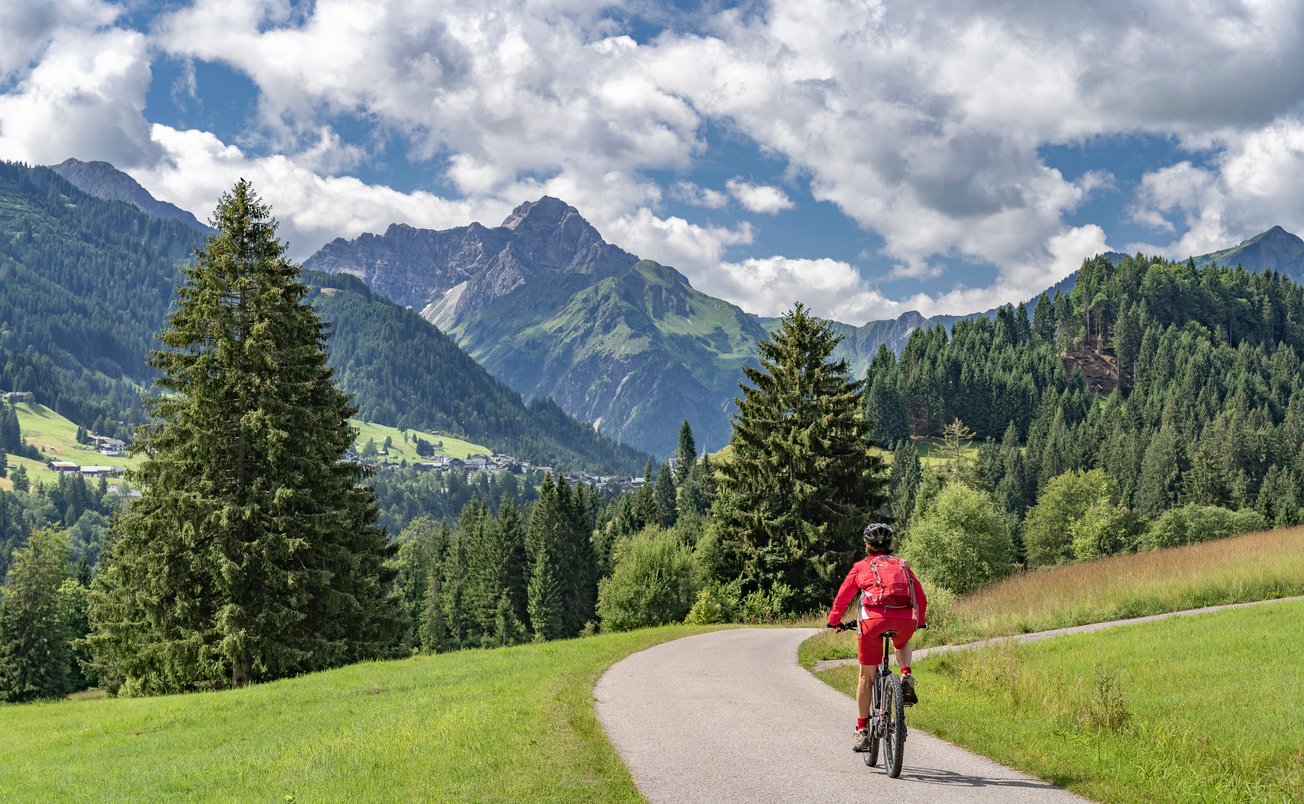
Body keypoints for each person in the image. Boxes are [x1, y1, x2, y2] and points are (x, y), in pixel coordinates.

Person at [826, 522, 927, 753]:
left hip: (872, 622)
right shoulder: (902, 565)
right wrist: (919, 621)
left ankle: (862, 731)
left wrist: (834, 621)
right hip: (904, 620)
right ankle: (906, 674)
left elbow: (843, 596)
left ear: (867, 546)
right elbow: (920, 596)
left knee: (866, 676)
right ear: (890, 545)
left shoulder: (861, 566)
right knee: (901, 642)